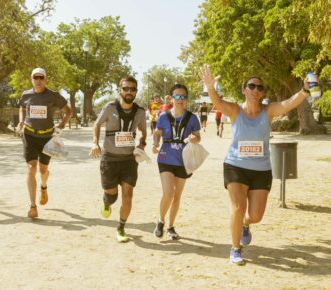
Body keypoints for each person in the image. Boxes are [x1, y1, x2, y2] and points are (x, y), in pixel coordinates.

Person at [201, 65, 311, 265]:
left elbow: (288, 104)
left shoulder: (268, 111)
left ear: (263, 93)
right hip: (235, 165)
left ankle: (245, 224)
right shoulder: (235, 110)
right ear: (244, 90)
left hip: (261, 169)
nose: (255, 90)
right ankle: (235, 249)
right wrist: (210, 87)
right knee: (238, 207)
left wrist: (304, 90)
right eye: (251, 86)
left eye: (260, 88)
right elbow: (217, 102)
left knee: (255, 216)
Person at [90, 76, 147, 243]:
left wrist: (142, 145)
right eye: (126, 88)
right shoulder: (110, 107)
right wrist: (95, 143)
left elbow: (143, 132)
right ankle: (107, 202)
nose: (129, 92)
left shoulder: (140, 112)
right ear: (119, 90)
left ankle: (121, 227)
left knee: (128, 196)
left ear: (136, 91)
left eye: (133, 89)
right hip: (109, 159)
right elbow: (97, 124)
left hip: (129, 160)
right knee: (112, 194)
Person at [18, 68, 71, 219]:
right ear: (31, 79)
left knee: (43, 170)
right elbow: (21, 107)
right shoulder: (26, 94)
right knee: (31, 168)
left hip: (47, 136)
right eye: (36, 77)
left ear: (45, 79)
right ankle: (33, 206)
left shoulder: (53, 95)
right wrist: (21, 121)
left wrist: (61, 125)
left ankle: (44, 186)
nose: (39, 80)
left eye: (41, 77)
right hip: (29, 135)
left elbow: (69, 112)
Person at [152, 84, 201, 240]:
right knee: (168, 193)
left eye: (183, 96)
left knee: (177, 196)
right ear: (171, 98)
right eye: (177, 96)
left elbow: (197, 136)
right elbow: (157, 132)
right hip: (166, 157)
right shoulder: (163, 116)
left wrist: (195, 139)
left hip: (183, 160)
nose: (180, 100)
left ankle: (171, 227)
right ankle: (160, 221)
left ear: (186, 98)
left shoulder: (192, 118)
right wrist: (155, 143)